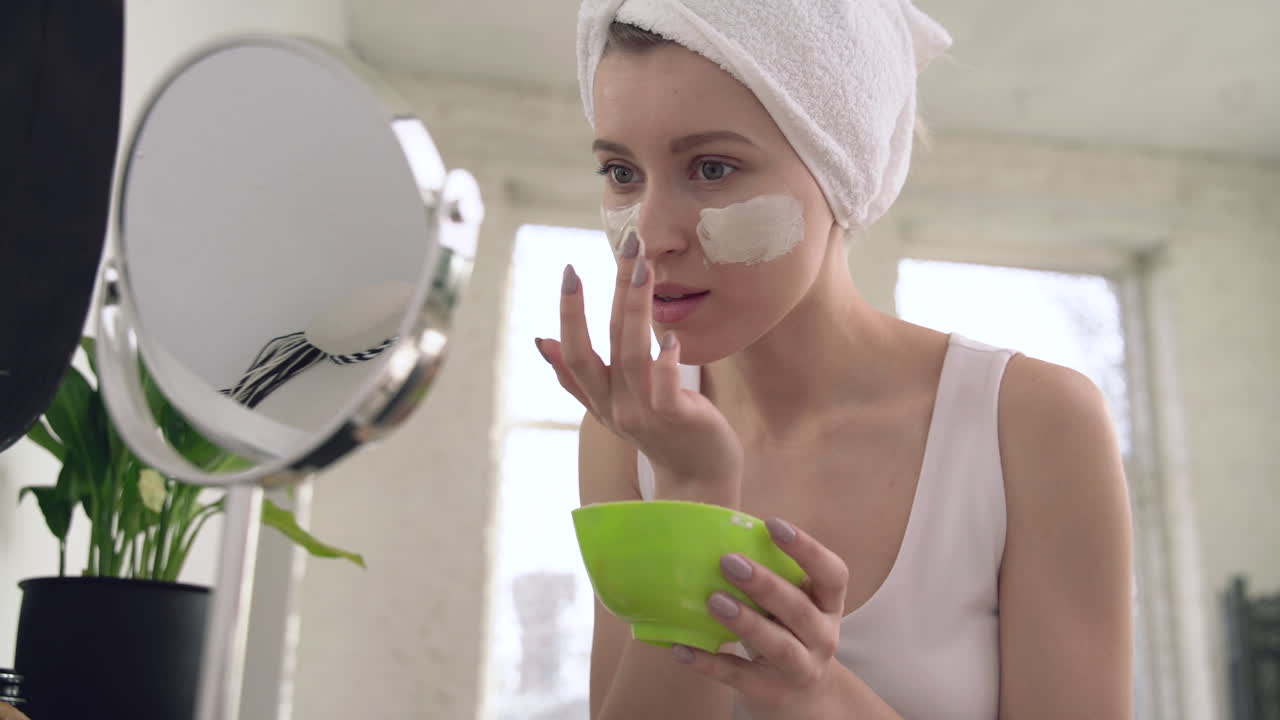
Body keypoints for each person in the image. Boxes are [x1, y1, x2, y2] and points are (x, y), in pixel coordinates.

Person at [534, 1, 1134, 718]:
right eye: (622, 173)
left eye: (713, 167)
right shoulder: (630, 430)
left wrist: (818, 691)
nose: (651, 233)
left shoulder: (1030, 421)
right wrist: (691, 490)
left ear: (839, 170)